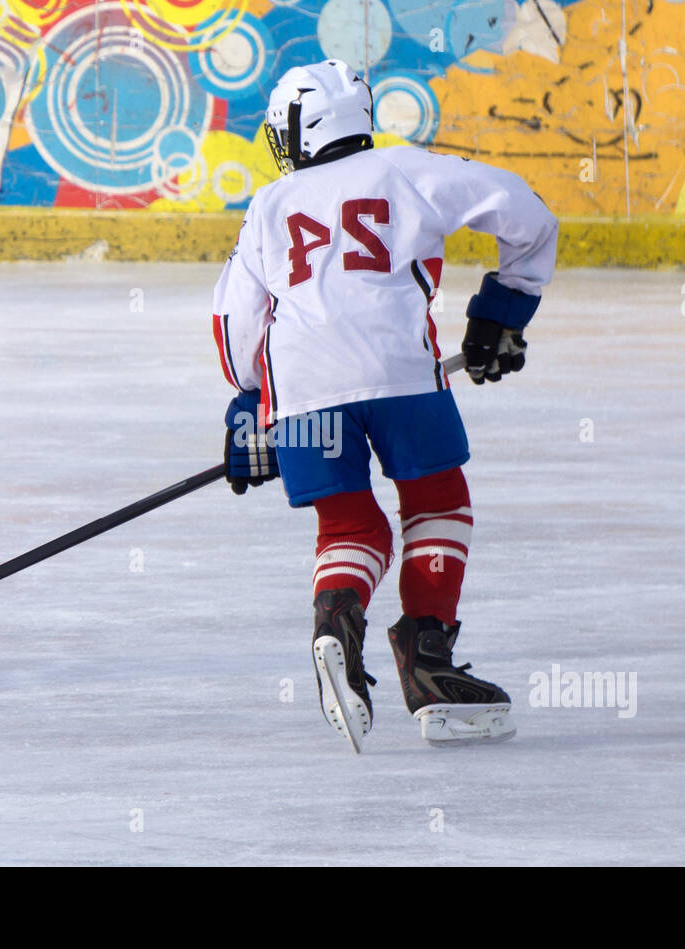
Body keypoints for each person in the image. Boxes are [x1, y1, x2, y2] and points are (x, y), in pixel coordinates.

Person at [211, 59, 558, 750]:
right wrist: (501, 312)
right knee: (437, 503)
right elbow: (528, 214)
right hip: (399, 374)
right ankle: (427, 658)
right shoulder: (408, 170)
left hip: (305, 392)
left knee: (351, 528)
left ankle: (337, 618)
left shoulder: (269, 205)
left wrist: (250, 408)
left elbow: (236, 322)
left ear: (296, 132)